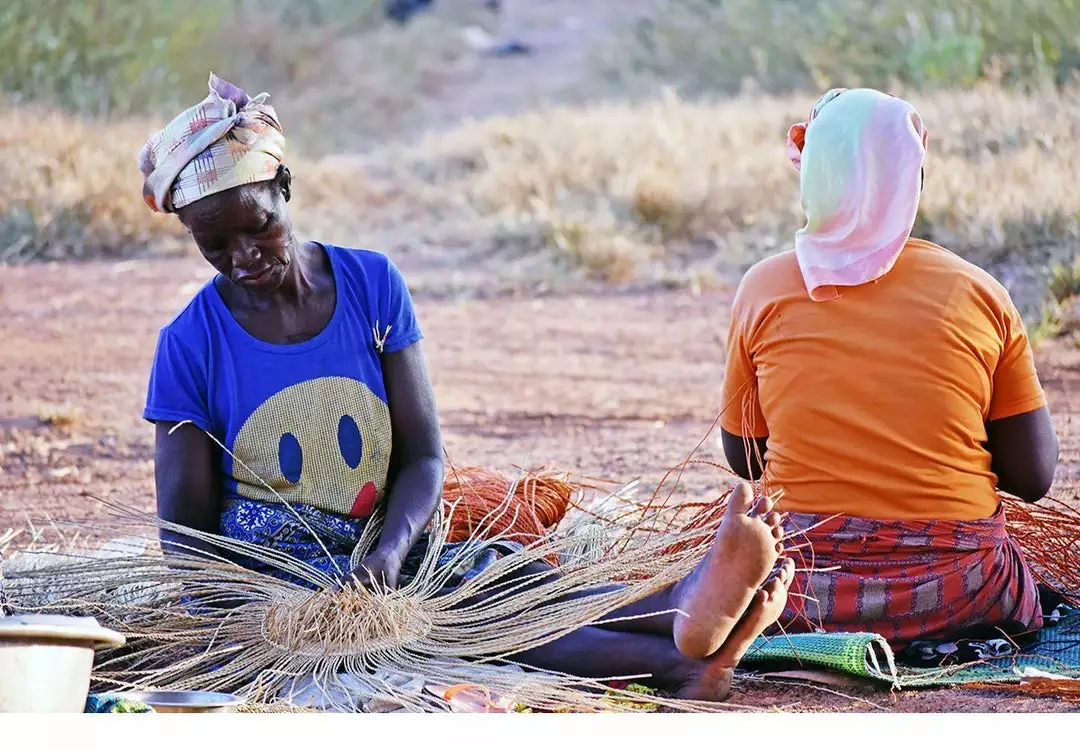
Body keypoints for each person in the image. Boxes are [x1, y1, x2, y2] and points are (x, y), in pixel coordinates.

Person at [139, 74, 794, 701]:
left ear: (284, 187)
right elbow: (187, 541)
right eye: (215, 244)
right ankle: (682, 654)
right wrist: (263, 621)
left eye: (258, 226)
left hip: (384, 552)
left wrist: (389, 553)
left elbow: (423, 456)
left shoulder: (370, 284)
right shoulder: (189, 344)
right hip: (279, 587)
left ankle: (682, 612)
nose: (244, 256)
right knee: (458, 624)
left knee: (497, 574)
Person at [719, 88, 1059, 649]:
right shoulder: (978, 293)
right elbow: (1033, 477)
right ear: (915, 179)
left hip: (801, 592)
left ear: (813, 179)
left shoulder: (764, 288)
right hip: (960, 593)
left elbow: (745, 458)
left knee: (702, 579)